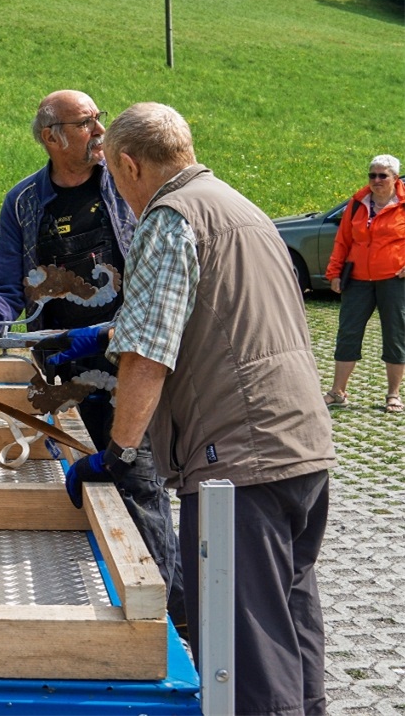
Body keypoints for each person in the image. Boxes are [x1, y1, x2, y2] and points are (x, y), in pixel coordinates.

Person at [77, 102, 334, 715]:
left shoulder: (170, 219)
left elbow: (149, 355)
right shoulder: (239, 207)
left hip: (237, 463)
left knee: (242, 649)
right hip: (301, 447)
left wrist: (119, 453)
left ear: (130, 165)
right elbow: (215, 317)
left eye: (115, 179)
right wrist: (107, 333)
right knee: (290, 618)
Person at [0, 90, 183, 624]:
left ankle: (173, 624)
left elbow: (153, 288)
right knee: (87, 493)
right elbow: (6, 292)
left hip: (129, 368)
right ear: (52, 137)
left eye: (99, 118)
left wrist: (110, 336)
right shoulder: (23, 204)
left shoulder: (126, 188)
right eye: (86, 122)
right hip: (62, 379)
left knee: (140, 485)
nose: (100, 129)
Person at [322, 154, 405, 413]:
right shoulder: (358, 203)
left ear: (395, 178)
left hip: (394, 280)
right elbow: (343, 241)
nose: (377, 180)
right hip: (357, 280)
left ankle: (393, 394)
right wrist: (334, 272)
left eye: (383, 175)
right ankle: (338, 392)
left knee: (395, 336)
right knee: (348, 333)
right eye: (372, 175)